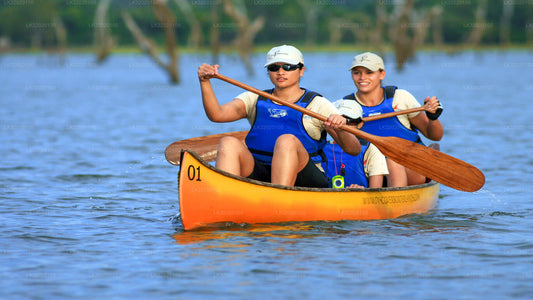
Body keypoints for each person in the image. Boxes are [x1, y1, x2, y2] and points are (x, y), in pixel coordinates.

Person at [197, 45, 360, 188]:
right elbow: (217, 115)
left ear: (301, 70)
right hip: (261, 171)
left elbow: (353, 149)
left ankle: (279, 201)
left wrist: (340, 130)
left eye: (288, 67)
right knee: (228, 143)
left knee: (286, 140)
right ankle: (225, 199)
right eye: (274, 67)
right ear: (268, 71)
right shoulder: (254, 98)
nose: (280, 72)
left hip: (305, 176)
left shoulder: (318, 104)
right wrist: (205, 82)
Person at [342, 52, 444, 187]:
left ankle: (395, 203)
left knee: (392, 160)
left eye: (369, 72)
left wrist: (433, 118)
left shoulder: (401, 98)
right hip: (371, 171)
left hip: (412, 167)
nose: (362, 78)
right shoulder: (346, 106)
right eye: (357, 73)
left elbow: (435, 136)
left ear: (382, 74)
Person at [321, 99, 389, 189]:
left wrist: (362, 191)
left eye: (348, 121)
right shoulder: (320, 147)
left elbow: (375, 191)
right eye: (337, 121)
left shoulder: (371, 149)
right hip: (327, 199)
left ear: (360, 124)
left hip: (361, 199)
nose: (343, 126)